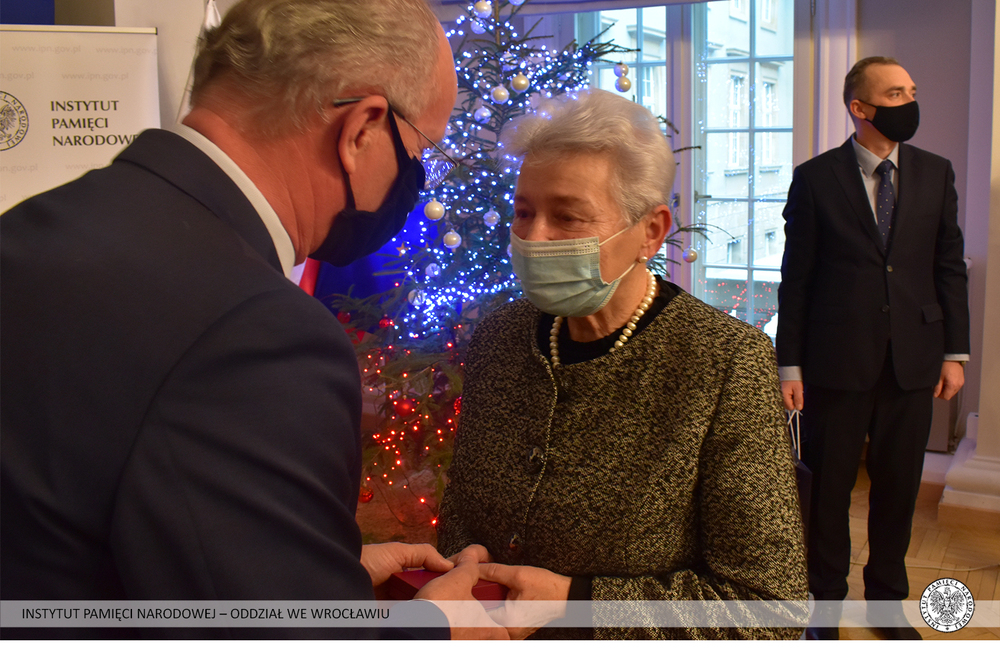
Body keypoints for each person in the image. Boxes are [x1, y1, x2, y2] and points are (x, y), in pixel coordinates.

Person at [0, 0, 504, 640]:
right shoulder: (259, 332)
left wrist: (320, 569)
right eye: (420, 149)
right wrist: (437, 630)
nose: (418, 180)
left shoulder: (31, 229)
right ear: (362, 130)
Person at [436, 89, 809, 640]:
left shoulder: (724, 363)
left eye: (567, 216)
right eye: (523, 212)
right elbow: (463, 507)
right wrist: (461, 562)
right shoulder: (500, 337)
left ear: (651, 231)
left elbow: (769, 604)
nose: (533, 238)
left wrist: (577, 603)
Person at [776, 56, 970, 640]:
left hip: (915, 360)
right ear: (859, 107)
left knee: (898, 489)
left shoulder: (937, 172)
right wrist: (790, 362)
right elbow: (798, 278)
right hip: (834, 364)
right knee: (829, 491)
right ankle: (824, 605)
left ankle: (887, 601)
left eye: (911, 90)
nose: (908, 102)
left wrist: (955, 353)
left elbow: (947, 268)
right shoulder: (815, 178)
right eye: (893, 93)